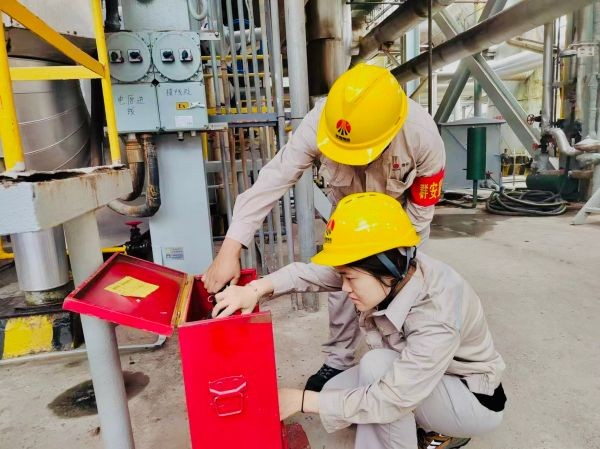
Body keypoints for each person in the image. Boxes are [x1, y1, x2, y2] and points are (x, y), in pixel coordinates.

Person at [202, 64, 446, 391]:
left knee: (403, 288)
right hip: (347, 210)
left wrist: (398, 263)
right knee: (344, 283)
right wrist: (230, 249)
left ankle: (403, 356)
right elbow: (274, 179)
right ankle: (338, 360)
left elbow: (421, 211)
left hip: (399, 221)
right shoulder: (321, 123)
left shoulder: (422, 135)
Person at [211, 192, 506, 449]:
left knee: (376, 373)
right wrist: (253, 290)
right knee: (334, 394)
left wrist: (301, 400)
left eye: (350, 278)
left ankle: (443, 430)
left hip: (471, 398)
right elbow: (307, 274)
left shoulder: (437, 312)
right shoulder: (393, 268)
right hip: (430, 377)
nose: (344, 288)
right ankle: (424, 425)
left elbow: (391, 398)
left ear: (387, 266)